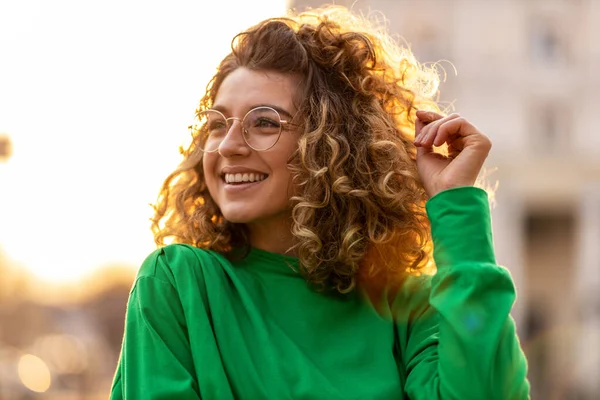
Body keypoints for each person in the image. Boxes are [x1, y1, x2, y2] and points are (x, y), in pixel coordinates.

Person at [110, 6, 530, 400]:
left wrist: (454, 201)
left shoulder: (408, 307)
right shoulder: (177, 283)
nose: (228, 146)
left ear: (332, 145)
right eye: (218, 124)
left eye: (264, 123)